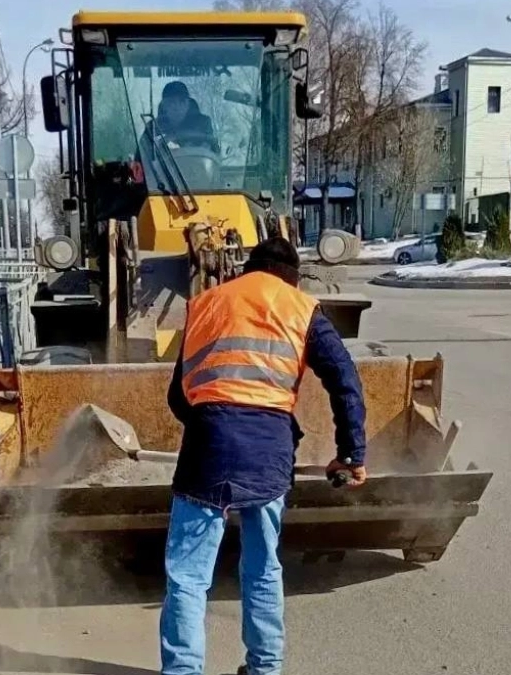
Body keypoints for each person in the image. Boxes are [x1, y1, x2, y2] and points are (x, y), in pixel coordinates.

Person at [161, 237, 368, 675]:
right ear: (291, 277)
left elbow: (178, 396)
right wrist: (351, 453)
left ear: (247, 269)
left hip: (208, 444)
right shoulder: (302, 308)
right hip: (269, 449)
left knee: (188, 576)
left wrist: (209, 424)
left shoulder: (205, 303)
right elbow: (345, 380)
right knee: (262, 567)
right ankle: (265, 668)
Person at [148, 81, 219, 154]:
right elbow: (140, 159)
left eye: (182, 101)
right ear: (164, 106)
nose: (177, 107)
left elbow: (215, 155)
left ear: (188, 104)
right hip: (161, 165)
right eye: (171, 102)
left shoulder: (203, 124)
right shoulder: (153, 128)